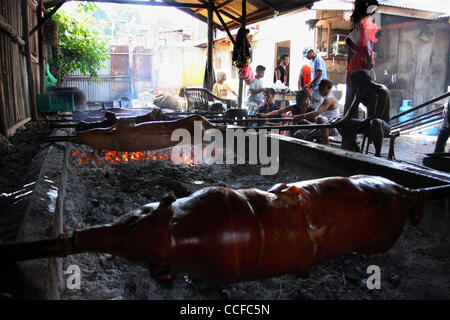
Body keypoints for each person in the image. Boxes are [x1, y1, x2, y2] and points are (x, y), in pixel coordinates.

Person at [343, 0, 379, 142]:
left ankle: (363, 131)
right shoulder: (361, 26)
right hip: (360, 72)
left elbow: (351, 43)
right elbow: (349, 41)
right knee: (364, 101)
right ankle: (355, 132)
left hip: (362, 70)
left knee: (365, 103)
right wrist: (360, 52)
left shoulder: (365, 29)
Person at [338, 70, 391, 157]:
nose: (355, 86)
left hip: (383, 125)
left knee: (375, 122)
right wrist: (340, 122)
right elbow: (350, 112)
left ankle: (378, 154)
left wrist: (364, 122)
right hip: (367, 123)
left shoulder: (382, 91)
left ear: (362, 82)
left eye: (355, 84)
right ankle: (357, 149)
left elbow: (378, 115)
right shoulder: (360, 92)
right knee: (342, 124)